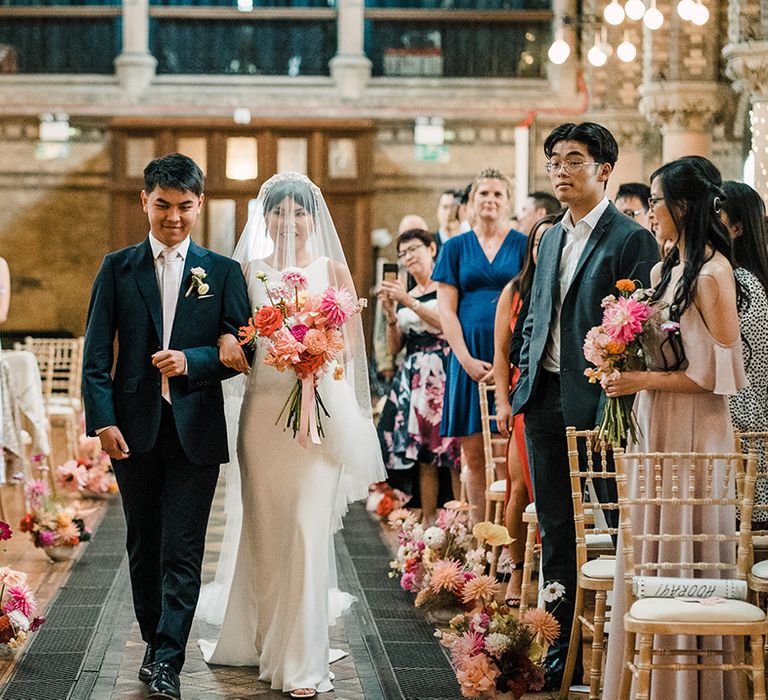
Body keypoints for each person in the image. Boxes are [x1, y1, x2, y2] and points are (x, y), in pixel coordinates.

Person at [199, 173, 385, 698]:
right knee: (265, 532)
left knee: (305, 529)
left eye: (298, 212)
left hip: (319, 415)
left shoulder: (332, 270)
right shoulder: (247, 272)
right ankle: (263, 640)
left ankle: (301, 660)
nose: (288, 222)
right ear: (265, 218)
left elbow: (352, 347)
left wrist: (318, 351)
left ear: (312, 218)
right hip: (263, 416)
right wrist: (247, 345)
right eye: (278, 212)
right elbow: (231, 334)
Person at [82, 153, 251, 700]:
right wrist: (102, 422)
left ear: (199, 204)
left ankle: (168, 659)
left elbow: (241, 349)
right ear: (144, 201)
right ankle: (156, 643)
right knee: (143, 544)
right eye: (162, 206)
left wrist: (193, 362)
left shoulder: (222, 271)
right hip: (131, 431)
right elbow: (94, 356)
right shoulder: (117, 267)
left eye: (184, 207)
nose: (173, 217)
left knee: (183, 547)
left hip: (195, 429)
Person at [511, 122, 658, 688]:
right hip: (544, 398)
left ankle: (627, 649)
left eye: (574, 160)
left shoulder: (629, 238)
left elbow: (640, 324)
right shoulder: (548, 237)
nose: (561, 170)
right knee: (556, 528)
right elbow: (535, 314)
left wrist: (612, 397)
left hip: (602, 406)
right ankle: (559, 652)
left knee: (618, 523)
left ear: (603, 169)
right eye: (554, 160)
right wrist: (526, 372)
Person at [601, 157, 746, 699]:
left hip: (696, 426)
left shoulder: (713, 274)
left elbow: (718, 374)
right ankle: (649, 680)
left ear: (680, 206)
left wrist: (639, 376)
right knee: (649, 540)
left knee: (688, 537)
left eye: (655, 202)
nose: (650, 214)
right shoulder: (663, 272)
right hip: (655, 421)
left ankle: (692, 686)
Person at [433, 167, 527, 525]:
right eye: (482, 194)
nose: (489, 200)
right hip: (467, 354)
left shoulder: (521, 244)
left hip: (512, 352)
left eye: (497, 194)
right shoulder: (455, 247)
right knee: (473, 453)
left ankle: (510, 534)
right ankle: (479, 534)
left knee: (511, 452)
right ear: (470, 204)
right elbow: (445, 308)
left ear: (508, 202)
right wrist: (465, 359)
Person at [493, 213, 559, 605]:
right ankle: (517, 570)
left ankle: (551, 571)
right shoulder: (515, 290)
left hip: (554, 394)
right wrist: (503, 400)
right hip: (523, 392)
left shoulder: (566, 286)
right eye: (537, 243)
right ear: (531, 250)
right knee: (520, 484)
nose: (543, 250)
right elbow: (501, 353)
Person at [377, 228, 461, 525]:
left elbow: (447, 323)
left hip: (444, 369)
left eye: (413, 249)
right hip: (414, 376)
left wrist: (409, 303)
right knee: (424, 452)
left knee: (452, 450)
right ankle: (428, 521)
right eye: (402, 254)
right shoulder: (405, 295)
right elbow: (394, 347)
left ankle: (459, 521)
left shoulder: (446, 286)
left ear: (432, 249)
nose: (408, 258)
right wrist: (390, 313)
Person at [721, 181, 768, 525]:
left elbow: (743, 367)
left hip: (744, 427)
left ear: (736, 228)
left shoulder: (742, 285)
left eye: (714, 215)